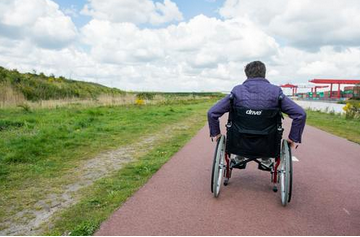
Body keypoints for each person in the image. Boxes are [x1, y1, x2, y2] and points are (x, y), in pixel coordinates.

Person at [207, 61, 306, 152]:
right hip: (268, 143)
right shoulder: (276, 92)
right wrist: (293, 138)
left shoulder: (237, 91)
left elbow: (212, 113)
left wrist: (217, 134)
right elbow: (300, 114)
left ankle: (240, 156)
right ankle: (265, 158)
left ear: (246, 74)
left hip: (239, 142)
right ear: (264, 73)